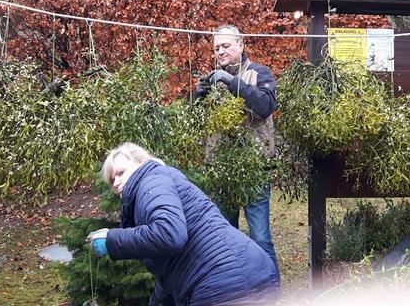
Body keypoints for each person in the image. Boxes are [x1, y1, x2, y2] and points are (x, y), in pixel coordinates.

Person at [87, 142, 280, 306]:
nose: (117, 182)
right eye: (112, 180)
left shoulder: (151, 182)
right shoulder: (159, 182)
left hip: (224, 285)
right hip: (255, 270)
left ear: (140, 163)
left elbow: (169, 234)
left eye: (121, 173)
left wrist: (112, 239)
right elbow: (171, 269)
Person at [194, 24, 279, 274]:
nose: (220, 51)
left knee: (260, 237)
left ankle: (271, 293)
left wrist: (233, 83)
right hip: (222, 170)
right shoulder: (212, 80)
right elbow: (196, 122)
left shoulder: (259, 73)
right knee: (225, 236)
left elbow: (265, 106)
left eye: (226, 45)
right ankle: (234, 289)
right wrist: (197, 97)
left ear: (241, 45)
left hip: (254, 170)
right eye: (216, 47)